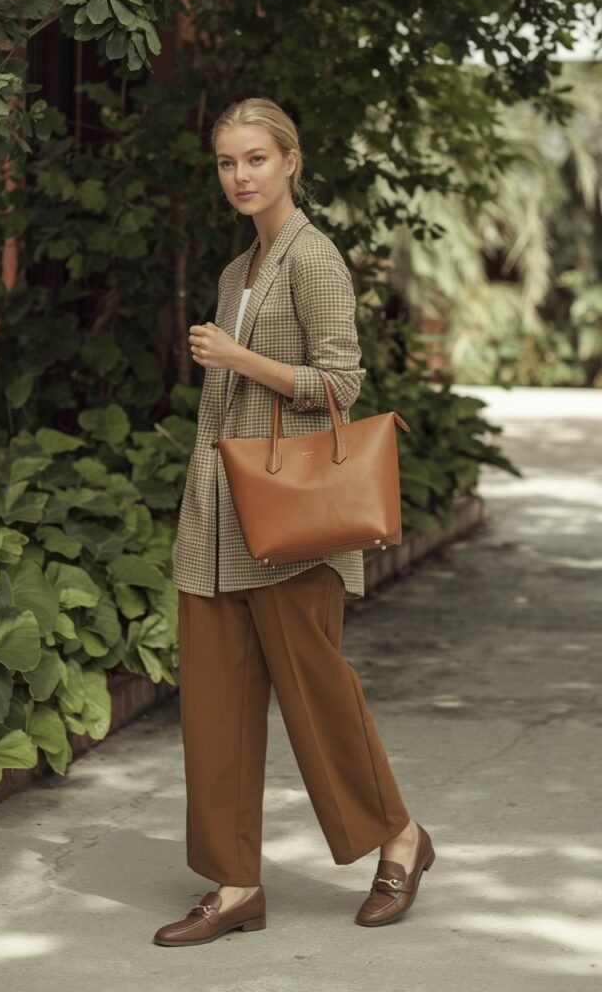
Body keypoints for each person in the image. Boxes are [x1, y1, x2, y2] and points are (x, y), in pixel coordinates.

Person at [153, 98, 434, 948]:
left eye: (255, 159)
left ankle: (400, 836)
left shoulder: (314, 259)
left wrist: (240, 358)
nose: (240, 176)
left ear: (290, 162)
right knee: (214, 709)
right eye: (227, 163)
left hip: (289, 518)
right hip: (216, 518)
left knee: (318, 698)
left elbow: (340, 384)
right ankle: (235, 884)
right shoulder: (236, 271)